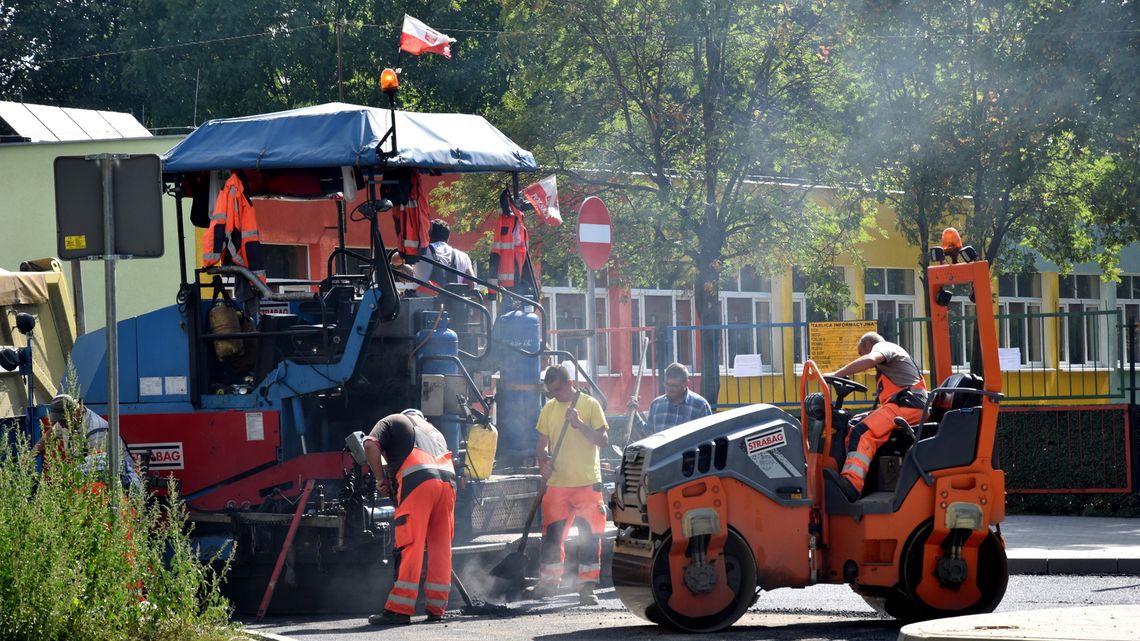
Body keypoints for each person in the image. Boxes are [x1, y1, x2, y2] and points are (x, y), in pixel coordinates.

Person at [363, 409, 456, 626]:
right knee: (441, 547)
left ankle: (399, 610)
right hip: (447, 484)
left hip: (419, 482)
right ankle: (437, 608)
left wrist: (379, 479)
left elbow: (369, 445)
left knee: (410, 544)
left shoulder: (392, 420)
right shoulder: (435, 432)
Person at [531, 365, 609, 606]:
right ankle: (549, 583)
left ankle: (587, 588)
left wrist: (579, 424)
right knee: (552, 537)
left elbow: (603, 441)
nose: (554, 395)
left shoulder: (590, 405)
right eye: (550, 391)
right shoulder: (549, 409)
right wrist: (543, 462)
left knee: (590, 537)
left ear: (569, 383)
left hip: (587, 483)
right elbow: (541, 445)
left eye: (557, 390)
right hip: (557, 485)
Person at [826, 332, 928, 501]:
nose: (861, 356)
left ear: (867, 345)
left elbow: (871, 359)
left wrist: (838, 374)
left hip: (909, 405)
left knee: (862, 431)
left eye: (861, 352)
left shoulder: (884, 347)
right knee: (851, 424)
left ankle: (851, 485)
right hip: (901, 405)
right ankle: (859, 479)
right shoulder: (889, 366)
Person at [34, 394, 143, 491]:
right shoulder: (68, 422)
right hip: (93, 475)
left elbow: (96, 470)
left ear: (75, 412)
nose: (61, 425)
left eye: (62, 421)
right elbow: (49, 436)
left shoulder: (95, 432)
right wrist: (30, 456)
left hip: (120, 480)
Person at [646, 362, 712, 433]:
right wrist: (634, 416)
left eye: (674, 386)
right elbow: (648, 435)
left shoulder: (700, 406)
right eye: (667, 384)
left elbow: (709, 436)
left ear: (686, 383)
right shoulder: (656, 405)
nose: (669, 389)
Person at [413, 219, 476, 290]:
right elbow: (471, 284)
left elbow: (397, 260)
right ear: (447, 238)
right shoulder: (464, 256)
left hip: (425, 300)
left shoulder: (421, 251)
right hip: (454, 300)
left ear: (428, 235)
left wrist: (403, 267)